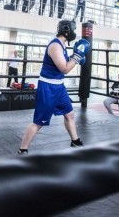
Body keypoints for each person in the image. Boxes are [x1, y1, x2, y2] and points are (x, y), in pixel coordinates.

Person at [18, 20, 90, 154]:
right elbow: (64, 68)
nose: (74, 33)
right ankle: (23, 149)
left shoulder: (62, 44)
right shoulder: (55, 46)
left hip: (59, 86)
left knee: (69, 114)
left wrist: (76, 57)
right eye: (73, 30)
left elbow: (65, 63)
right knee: (39, 122)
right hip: (48, 88)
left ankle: (75, 141)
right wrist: (77, 56)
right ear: (67, 31)